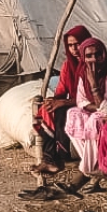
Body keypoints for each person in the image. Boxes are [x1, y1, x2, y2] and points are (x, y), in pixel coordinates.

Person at [31, 25, 92, 175]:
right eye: (70, 45)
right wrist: (52, 101)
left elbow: (92, 97)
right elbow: (62, 90)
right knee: (46, 109)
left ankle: (59, 154)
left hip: (90, 106)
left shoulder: (93, 63)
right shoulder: (68, 65)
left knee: (61, 110)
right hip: (72, 104)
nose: (74, 48)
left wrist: (63, 102)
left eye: (77, 43)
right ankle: (49, 159)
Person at [63, 37, 107, 193]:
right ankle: (92, 169)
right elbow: (81, 101)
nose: (94, 59)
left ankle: (83, 174)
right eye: (89, 56)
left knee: (94, 120)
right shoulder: (83, 73)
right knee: (73, 114)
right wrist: (96, 106)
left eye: (98, 54)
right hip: (96, 110)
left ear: (104, 54)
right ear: (83, 57)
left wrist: (94, 84)